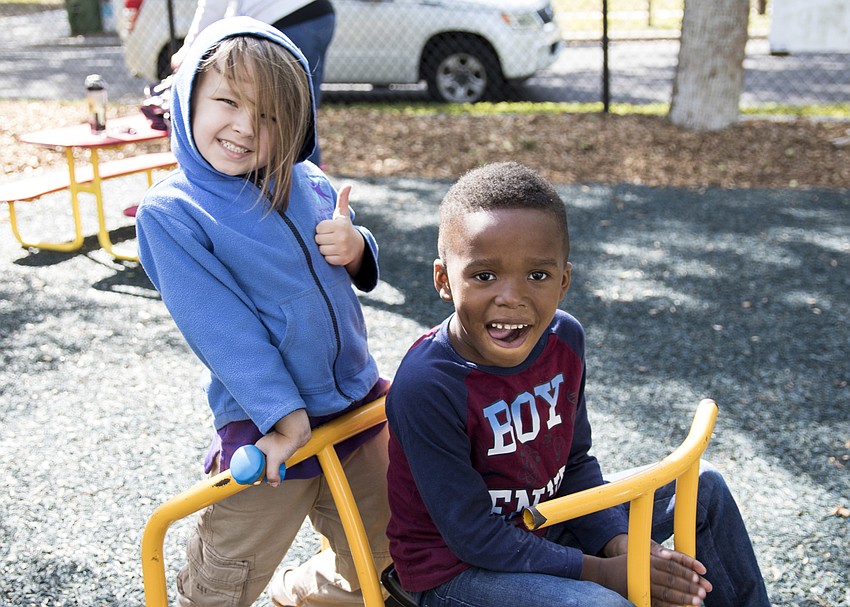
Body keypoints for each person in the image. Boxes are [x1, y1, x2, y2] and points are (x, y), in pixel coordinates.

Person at [385, 161, 772, 607]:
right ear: (444, 281)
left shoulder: (564, 340)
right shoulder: (427, 385)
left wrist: (616, 540)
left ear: (564, 281)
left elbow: (574, 461)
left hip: (545, 520)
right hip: (457, 570)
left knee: (703, 487)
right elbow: (473, 536)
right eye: (484, 275)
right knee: (604, 604)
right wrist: (605, 574)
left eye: (537, 275)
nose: (511, 295)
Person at [136, 17, 389, 607]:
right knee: (229, 575)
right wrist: (284, 417)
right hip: (268, 427)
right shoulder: (175, 212)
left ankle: (301, 594)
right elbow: (225, 331)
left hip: (354, 403)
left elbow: (339, 258)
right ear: (188, 96)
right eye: (227, 101)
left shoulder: (307, 178)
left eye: (271, 114)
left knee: (383, 553)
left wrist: (358, 250)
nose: (246, 127)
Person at [170, 0, 336, 167]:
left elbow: (213, 4)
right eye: (228, 102)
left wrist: (191, 48)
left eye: (266, 117)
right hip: (320, 13)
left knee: (295, 119)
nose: (246, 129)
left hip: (284, 19)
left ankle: (302, 180)